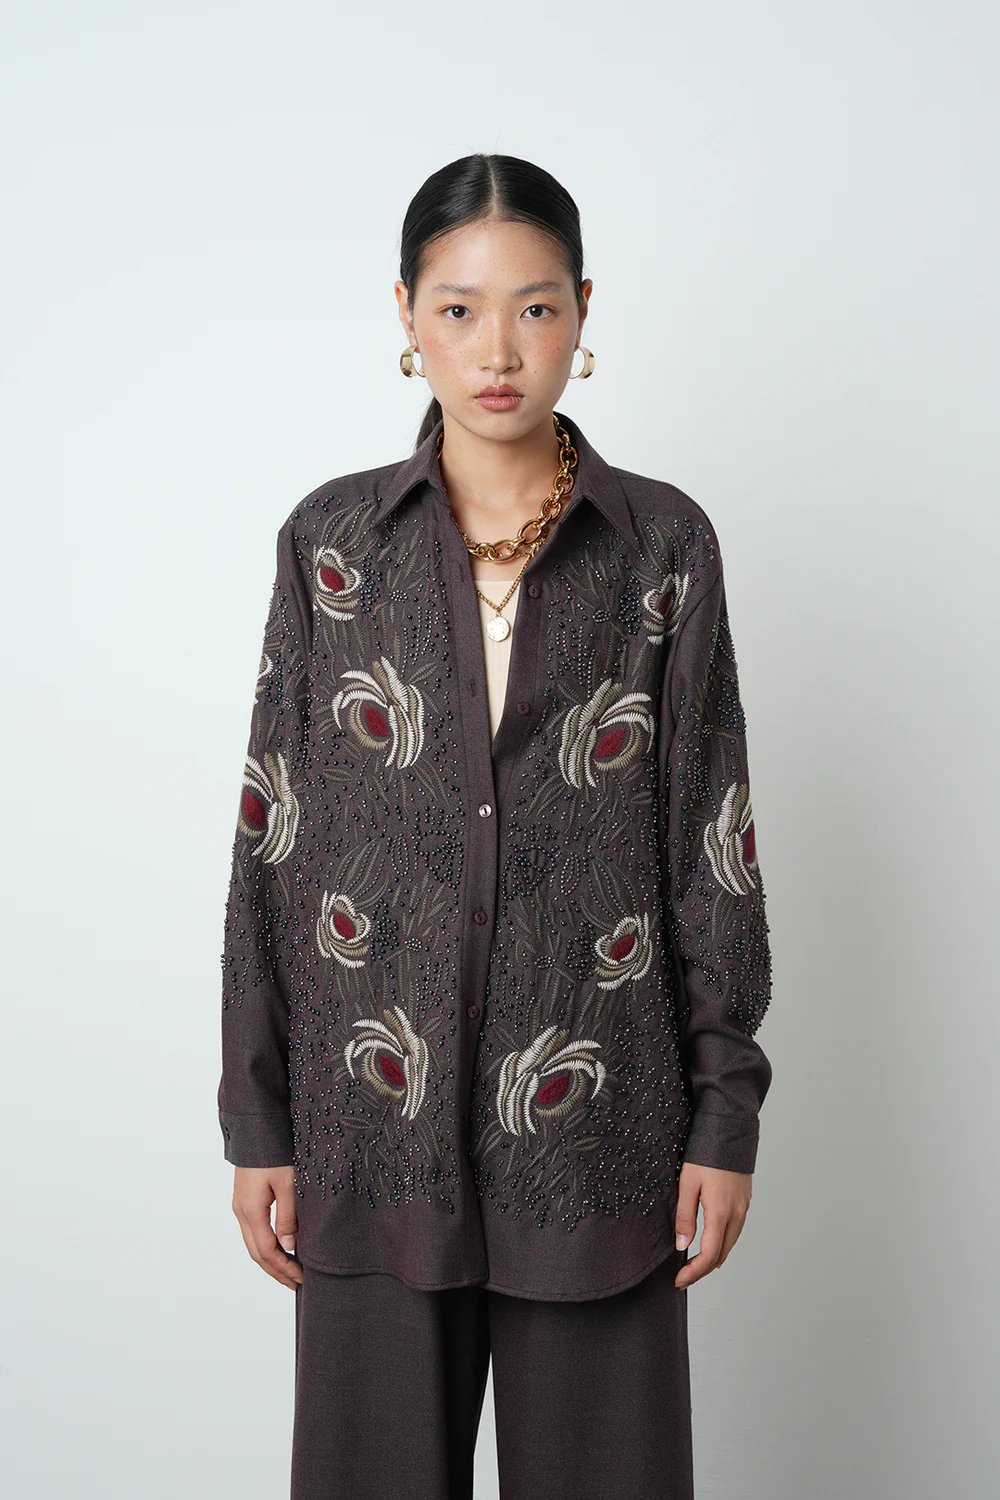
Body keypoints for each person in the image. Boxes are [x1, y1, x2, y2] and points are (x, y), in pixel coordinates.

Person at [217, 153, 774, 1500]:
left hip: (599, 1135)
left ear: (583, 313)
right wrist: (257, 1114)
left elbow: (712, 839)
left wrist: (723, 1118)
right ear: (407, 317)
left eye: (535, 308)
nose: (499, 351)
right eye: (459, 310)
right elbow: (273, 836)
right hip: (367, 1125)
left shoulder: (663, 547)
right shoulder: (333, 545)